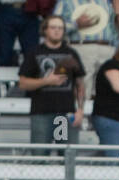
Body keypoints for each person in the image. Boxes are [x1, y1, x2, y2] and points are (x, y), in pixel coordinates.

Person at [19, 12, 85, 150]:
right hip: (41, 113)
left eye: (60, 28)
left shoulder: (71, 53)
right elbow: (23, 83)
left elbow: (80, 84)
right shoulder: (35, 52)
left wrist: (80, 110)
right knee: (39, 157)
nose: (57, 31)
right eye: (53, 27)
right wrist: (46, 81)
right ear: (45, 30)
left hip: (65, 113)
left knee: (67, 156)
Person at [57, 0, 119, 94]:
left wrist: (115, 47)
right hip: (81, 48)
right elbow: (54, 26)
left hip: (106, 50)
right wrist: (76, 24)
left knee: (106, 90)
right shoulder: (66, 0)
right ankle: (82, 114)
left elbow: (113, 26)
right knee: (83, 89)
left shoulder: (103, 0)